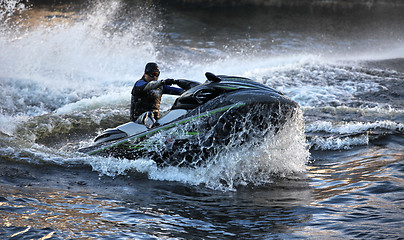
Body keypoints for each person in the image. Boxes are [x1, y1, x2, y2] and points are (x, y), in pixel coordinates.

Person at [130, 62, 184, 128]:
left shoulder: (161, 87)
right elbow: (150, 85)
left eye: (157, 74)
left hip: (155, 121)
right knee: (149, 114)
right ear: (145, 74)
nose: (155, 77)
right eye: (152, 74)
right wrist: (163, 82)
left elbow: (180, 92)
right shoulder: (139, 84)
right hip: (138, 121)